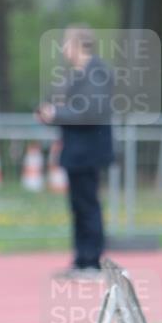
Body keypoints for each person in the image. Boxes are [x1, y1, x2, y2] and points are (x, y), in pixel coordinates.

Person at [36, 25, 114, 279]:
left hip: (89, 150)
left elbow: (91, 112)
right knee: (78, 206)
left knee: (88, 204)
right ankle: (81, 260)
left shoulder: (97, 73)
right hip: (75, 149)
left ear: (79, 44)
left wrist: (57, 113)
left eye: (67, 43)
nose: (64, 49)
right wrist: (51, 113)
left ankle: (92, 261)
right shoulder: (77, 74)